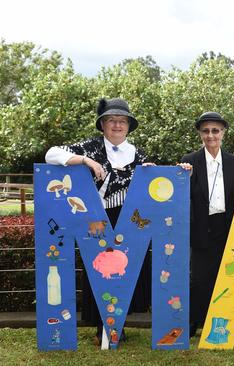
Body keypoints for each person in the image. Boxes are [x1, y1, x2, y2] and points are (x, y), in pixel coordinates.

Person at [45, 98, 152, 344]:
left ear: (128, 126)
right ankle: (100, 327)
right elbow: (51, 154)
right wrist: (85, 160)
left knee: (129, 267)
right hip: (97, 218)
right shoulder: (90, 147)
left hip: (129, 218)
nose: (117, 125)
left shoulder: (138, 153)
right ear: (103, 124)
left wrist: (150, 171)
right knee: (99, 267)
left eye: (122, 121)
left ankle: (119, 324)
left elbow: (147, 185)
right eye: (112, 121)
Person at [180, 112, 234, 337]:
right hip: (201, 225)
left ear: (223, 133)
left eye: (215, 131)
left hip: (226, 226)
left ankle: (221, 321)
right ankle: (192, 321)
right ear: (200, 133)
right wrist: (182, 177)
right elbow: (180, 194)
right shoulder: (189, 161)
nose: (210, 135)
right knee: (198, 277)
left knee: (224, 276)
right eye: (206, 131)